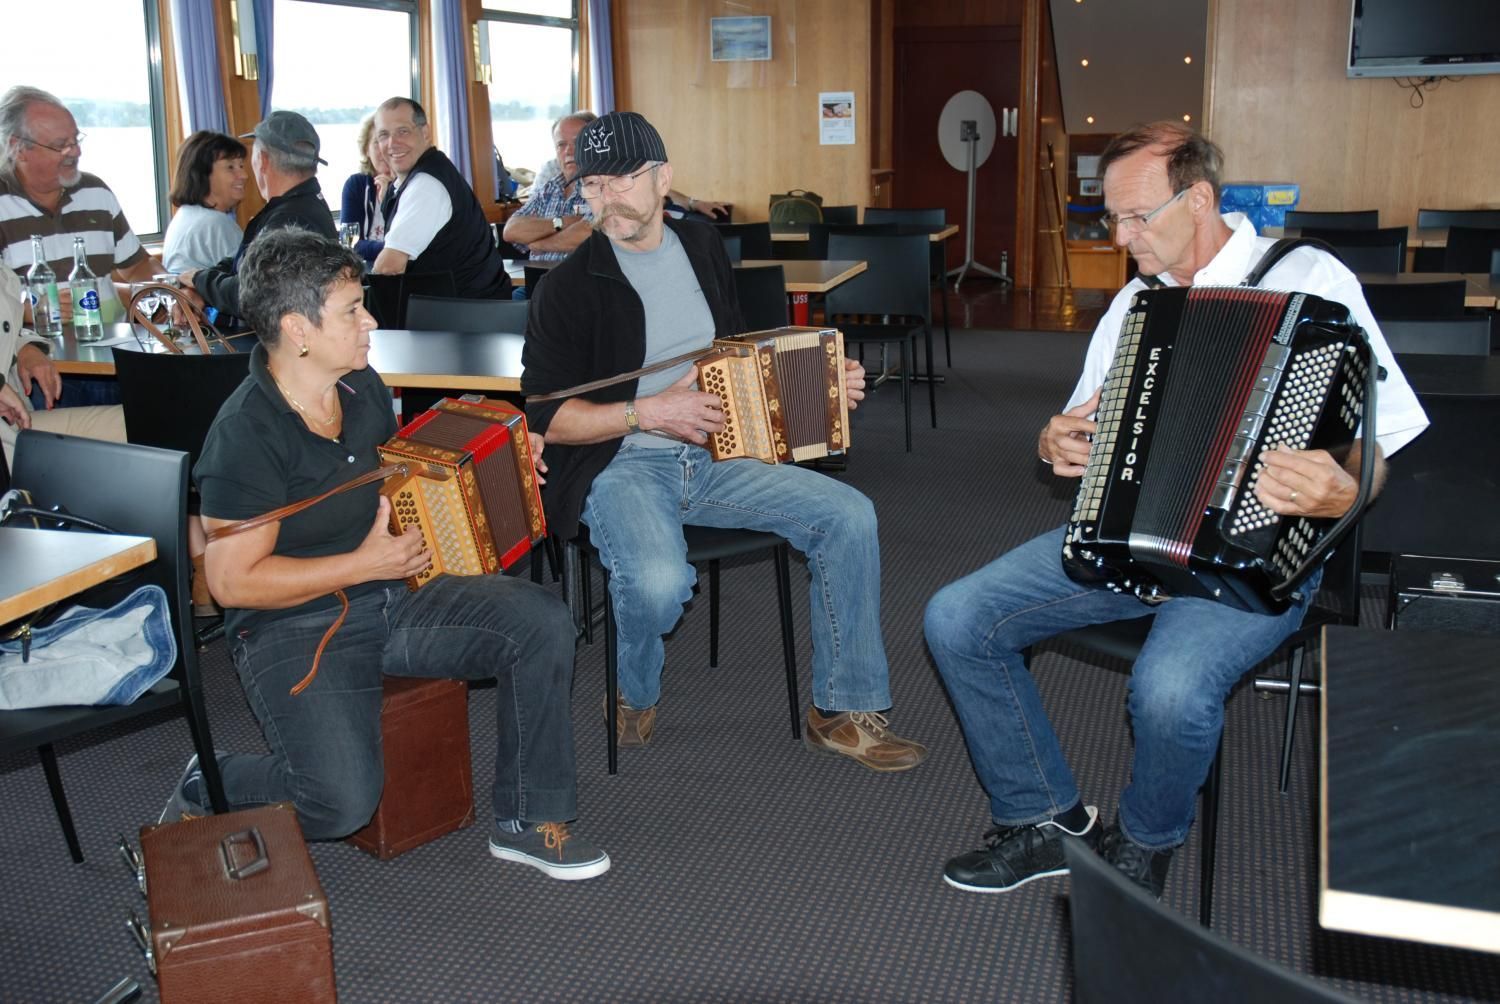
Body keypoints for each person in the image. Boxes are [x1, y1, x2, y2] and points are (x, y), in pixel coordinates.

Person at [924, 121, 1429, 899]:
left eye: (1135, 217)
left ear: (1198, 199)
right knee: (956, 618)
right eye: (1110, 219)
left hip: (1254, 551)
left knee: (1168, 689)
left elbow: (1376, 443)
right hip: (1130, 537)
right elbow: (1079, 425)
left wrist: (1346, 486)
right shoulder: (1135, 303)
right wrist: (1056, 439)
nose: (1121, 238)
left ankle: (1148, 838)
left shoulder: (1312, 278)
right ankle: (1044, 819)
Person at [166, 228, 608, 880]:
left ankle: (526, 821)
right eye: (353, 310)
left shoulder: (360, 384)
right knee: (339, 804)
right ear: (299, 329)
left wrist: (509, 456)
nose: (371, 320)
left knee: (539, 619)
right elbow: (232, 583)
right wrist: (364, 566)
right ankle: (212, 778)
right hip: (293, 623)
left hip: (392, 589)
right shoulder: (244, 435)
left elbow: (401, 475)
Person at [521, 111, 927, 771]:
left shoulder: (703, 244)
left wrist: (824, 379)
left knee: (849, 514)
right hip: (620, 465)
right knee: (657, 582)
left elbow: (742, 350)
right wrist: (647, 414)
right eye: (590, 185)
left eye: (620, 180)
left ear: (662, 178)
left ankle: (839, 709)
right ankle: (634, 692)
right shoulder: (566, 289)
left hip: (716, 454)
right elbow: (545, 419)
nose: (605, 199)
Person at [0, 85, 183, 409]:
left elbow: (137, 264)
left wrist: (169, 289)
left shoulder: (96, 191)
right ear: (19, 148)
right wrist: (31, 309)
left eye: (76, 140)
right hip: (39, 370)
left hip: (113, 358)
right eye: (60, 145)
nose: (74, 152)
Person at [507, 111, 731, 264]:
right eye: (561, 144)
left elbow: (593, 232)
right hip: (536, 283)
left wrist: (539, 243)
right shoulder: (549, 188)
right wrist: (563, 223)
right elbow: (511, 231)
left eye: (578, 142)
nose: (569, 151)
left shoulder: (703, 244)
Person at [180, 110, 336, 322]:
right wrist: (200, 284)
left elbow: (254, 295)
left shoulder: (291, 222)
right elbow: (242, 261)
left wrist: (200, 280)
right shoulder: (295, 210)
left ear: (262, 160)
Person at [370, 97, 510, 299]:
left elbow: (389, 266)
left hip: (463, 320)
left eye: (403, 131)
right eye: (384, 135)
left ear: (425, 133)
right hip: (453, 312)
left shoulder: (426, 185)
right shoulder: (418, 178)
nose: (392, 143)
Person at [0, 266, 124, 466]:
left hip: (18, 422)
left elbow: (8, 327)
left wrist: (27, 346)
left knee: (136, 423)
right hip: (10, 438)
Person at [162, 131, 248, 272]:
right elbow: (249, 286)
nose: (244, 176)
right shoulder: (216, 223)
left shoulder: (186, 214)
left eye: (241, 166)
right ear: (202, 174)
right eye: (230, 167)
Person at [340, 114, 392, 266]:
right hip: (365, 273)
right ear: (366, 150)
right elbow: (349, 243)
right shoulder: (356, 185)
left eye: (388, 142)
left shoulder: (412, 186)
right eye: (377, 142)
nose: (384, 149)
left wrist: (388, 202)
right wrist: (392, 249)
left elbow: (413, 245)